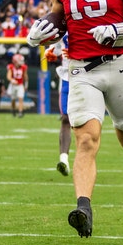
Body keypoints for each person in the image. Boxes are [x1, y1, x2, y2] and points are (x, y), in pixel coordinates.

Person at [27, 0, 123, 237]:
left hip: (118, 64)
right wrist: (42, 31)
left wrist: (117, 28)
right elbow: (59, 17)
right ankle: (83, 208)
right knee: (86, 139)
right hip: (80, 68)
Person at [46, 33, 71, 176]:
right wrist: (50, 51)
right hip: (68, 77)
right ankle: (64, 160)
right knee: (65, 118)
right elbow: (55, 47)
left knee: (87, 124)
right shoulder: (62, 22)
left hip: (87, 76)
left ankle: (85, 160)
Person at [6, 53, 28, 118]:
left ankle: (20, 112)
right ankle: (13, 110)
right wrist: (12, 80)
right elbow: (8, 76)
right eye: (20, 60)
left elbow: (25, 76)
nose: (21, 62)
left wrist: (26, 84)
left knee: (21, 98)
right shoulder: (11, 67)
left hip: (20, 85)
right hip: (13, 85)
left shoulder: (23, 67)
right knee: (13, 99)